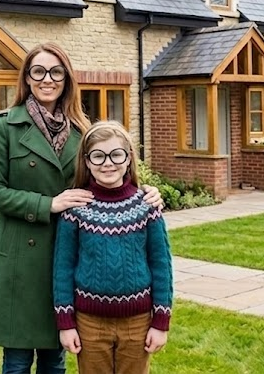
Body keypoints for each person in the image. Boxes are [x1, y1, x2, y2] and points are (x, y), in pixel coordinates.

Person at [0, 43, 163, 374]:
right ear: (27, 78)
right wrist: (48, 204)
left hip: (71, 254)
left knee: (56, 356)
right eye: (38, 71)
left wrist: (149, 191)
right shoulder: (4, 126)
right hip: (21, 256)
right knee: (18, 360)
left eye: (56, 72)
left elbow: (113, 164)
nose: (47, 79)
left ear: (66, 79)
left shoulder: (82, 129)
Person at [53, 121, 173, 374]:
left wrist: (161, 322)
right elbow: (63, 268)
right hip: (89, 323)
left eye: (116, 154)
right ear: (86, 161)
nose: (108, 163)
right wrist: (66, 323)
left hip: (138, 323)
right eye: (98, 156)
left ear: (128, 158)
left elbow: (161, 265)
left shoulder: (147, 205)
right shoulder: (76, 207)